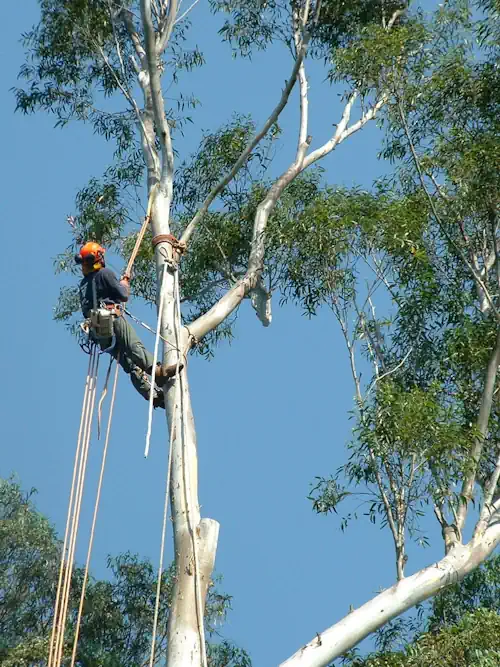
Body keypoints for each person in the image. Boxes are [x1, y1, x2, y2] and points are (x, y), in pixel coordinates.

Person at [76, 241, 181, 408]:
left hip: (99, 332)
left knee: (130, 364)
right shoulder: (105, 274)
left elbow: (86, 310)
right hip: (112, 319)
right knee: (134, 346)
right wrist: (124, 283)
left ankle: (151, 395)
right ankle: (158, 372)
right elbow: (123, 295)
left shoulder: (83, 285)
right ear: (99, 258)